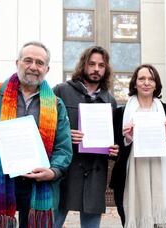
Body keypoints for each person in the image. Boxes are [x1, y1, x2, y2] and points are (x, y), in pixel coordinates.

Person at [0, 41, 73, 227]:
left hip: (37, 184)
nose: (33, 67)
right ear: (17, 62)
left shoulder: (56, 104)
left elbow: (63, 148)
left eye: (40, 63)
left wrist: (52, 171)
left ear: (47, 69)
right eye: (28, 60)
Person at [53, 46, 119, 228]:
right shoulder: (60, 91)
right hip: (65, 169)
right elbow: (44, 127)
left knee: (91, 224)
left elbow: (115, 138)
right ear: (83, 65)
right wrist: (65, 135)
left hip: (95, 172)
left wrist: (114, 149)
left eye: (101, 65)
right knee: (53, 221)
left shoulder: (109, 100)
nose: (96, 69)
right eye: (92, 64)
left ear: (106, 69)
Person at [109, 64, 166, 227]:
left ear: (156, 84)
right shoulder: (121, 114)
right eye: (141, 78)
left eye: (151, 79)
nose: (146, 82)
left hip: (161, 178)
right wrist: (127, 140)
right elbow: (113, 151)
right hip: (127, 178)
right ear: (134, 83)